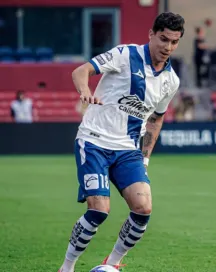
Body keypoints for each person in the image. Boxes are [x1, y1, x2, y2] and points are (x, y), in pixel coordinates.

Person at [57, 12, 185, 272]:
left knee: (143, 209)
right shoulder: (125, 54)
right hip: (94, 141)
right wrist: (85, 91)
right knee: (99, 211)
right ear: (151, 34)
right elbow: (81, 71)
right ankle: (67, 267)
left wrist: (145, 156)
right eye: (163, 39)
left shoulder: (171, 81)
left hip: (128, 150)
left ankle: (112, 264)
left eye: (174, 42)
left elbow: (156, 119)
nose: (168, 47)